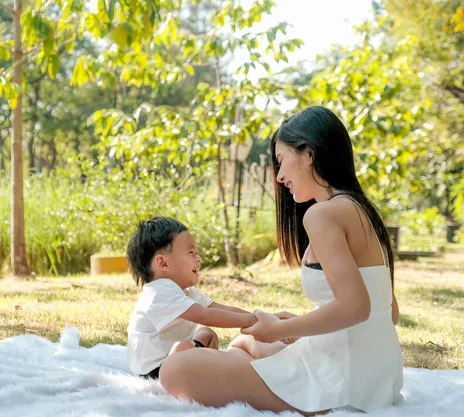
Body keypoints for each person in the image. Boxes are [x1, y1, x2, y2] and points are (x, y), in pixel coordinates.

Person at [159, 106, 404, 414]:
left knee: (175, 369)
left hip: (342, 382)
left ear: (309, 154)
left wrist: (277, 330)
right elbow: (388, 312)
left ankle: (231, 368)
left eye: (281, 160)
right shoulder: (362, 210)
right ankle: (239, 368)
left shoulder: (323, 214)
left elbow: (356, 308)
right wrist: (298, 324)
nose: (279, 175)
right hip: (378, 377)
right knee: (244, 344)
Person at [126, 217, 257, 379]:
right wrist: (251, 321)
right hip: (156, 371)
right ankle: (213, 373)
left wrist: (257, 318)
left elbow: (220, 309)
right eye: (191, 253)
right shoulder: (159, 292)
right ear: (163, 263)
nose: (198, 258)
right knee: (183, 347)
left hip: (176, 357)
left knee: (207, 335)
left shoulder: (185, 291)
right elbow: (205, 315)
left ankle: (209, 371)